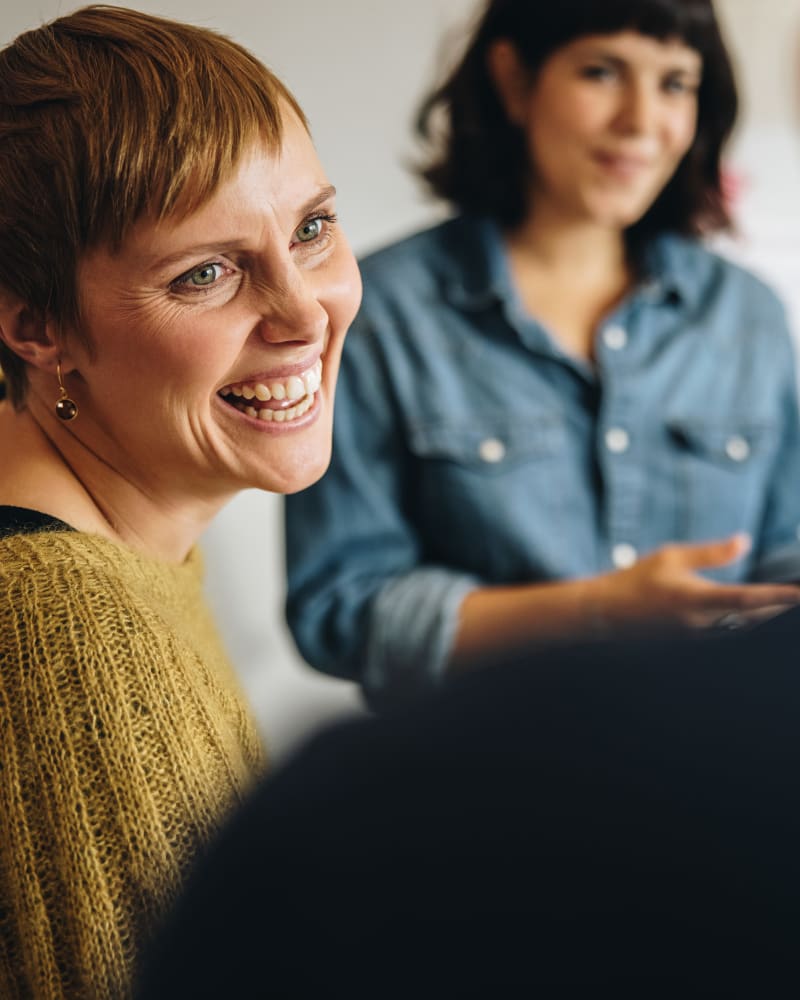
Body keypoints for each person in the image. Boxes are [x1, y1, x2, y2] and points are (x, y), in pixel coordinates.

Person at [285, 0, 800, 710]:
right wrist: (593, 611)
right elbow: (340, 609)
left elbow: (786, 555)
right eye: (601, 71)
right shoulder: (382, 313)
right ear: (514, 80)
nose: (642, 121)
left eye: (675, 83)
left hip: (712, 782)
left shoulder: (748, 315)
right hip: (485, 788)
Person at [0, 6, 360, 997]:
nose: (302, 313)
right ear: (37, 325)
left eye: (312, 229)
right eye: (205, 272)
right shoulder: (60, 621)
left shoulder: (122, 546)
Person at [135, 612, 800, 997]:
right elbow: (340, 608)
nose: (304, 357)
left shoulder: (355, 811)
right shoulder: (366, 821)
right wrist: (600, 607)